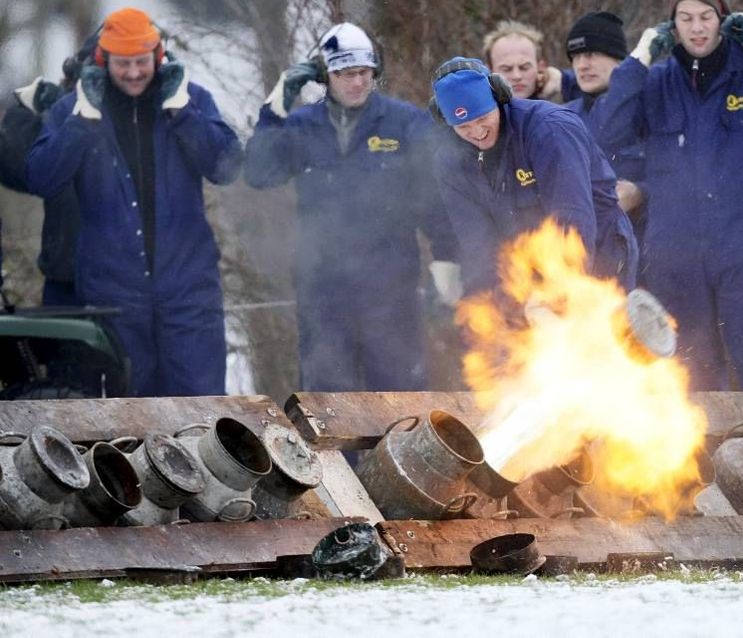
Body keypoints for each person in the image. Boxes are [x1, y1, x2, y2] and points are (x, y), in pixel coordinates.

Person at [594, 0, 743, 391]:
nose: (697, 28)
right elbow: (607, 133)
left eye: (706, 17)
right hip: (675, 258)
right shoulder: (655, 84)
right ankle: (703, 454)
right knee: (688, 377)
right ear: (672, 28)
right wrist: (637, 61)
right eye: (686, 19)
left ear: (725, 22)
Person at [26, 7, 242, 396]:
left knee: (201, 408)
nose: (133, 73)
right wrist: (82, 121)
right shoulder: (72, 109)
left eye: (141, 62)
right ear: (103, 60)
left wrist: (184, 114)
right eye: (122, 64)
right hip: (113, 299)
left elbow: (227, 167)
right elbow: (42, 177)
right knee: (128, 416)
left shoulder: (191, 98)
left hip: (189, 292)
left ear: (158, 57)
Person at [244, 23, 459, 392]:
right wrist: (274, 109)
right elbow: (260, 173)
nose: (357, 83)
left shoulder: (404, 122)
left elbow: (435, 196)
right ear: (327, 75)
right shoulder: (301, 126)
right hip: (322, 290)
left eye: (363, 73)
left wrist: (447, 263)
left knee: (397, 400)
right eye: (345, 74)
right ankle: (334, 454)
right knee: (326, 402)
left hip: (391, 288)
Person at [430, 57, 638, 296]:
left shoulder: (549, 130)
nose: (477, 132)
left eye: (483, 118)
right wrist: (496, 304)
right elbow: (478, 243)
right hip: (524, 267)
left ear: (498, 98)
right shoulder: (450, 161)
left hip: (598, 253)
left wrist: (558, 291)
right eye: (463, 127)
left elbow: (572, 218)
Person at [0, 36, 98, 306]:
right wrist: (49, 112)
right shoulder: (63, 122)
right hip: (66, 282)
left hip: (129, 288)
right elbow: (14, 164)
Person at [562, 12, 647, 232]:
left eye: (590, 54)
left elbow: (681, 176)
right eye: (575, 57)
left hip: (645, 245)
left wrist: (641, 192)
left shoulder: (650, 109)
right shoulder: (562, 119)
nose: (582, 65)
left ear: (618, 58)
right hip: (583, 251)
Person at [483, 20, 577, 103]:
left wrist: (564, 81)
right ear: (489, 70)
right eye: (506, 69)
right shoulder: (475, 115)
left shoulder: (561, 107)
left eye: (524, 68)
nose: (517, 76)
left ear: (540, 66)